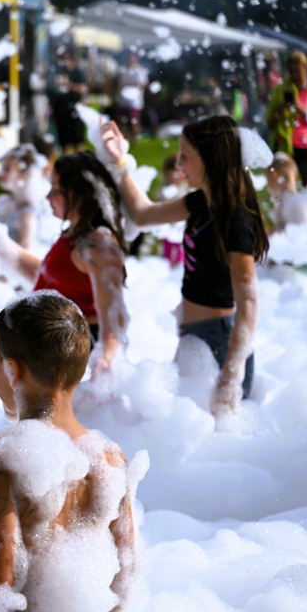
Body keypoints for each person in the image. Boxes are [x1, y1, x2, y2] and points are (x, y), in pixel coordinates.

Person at [0, 291, 145, 612]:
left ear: (14, 370)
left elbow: (1, 573)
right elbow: (127, 571)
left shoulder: (0, 457)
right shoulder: (110, 458)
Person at [103, 114, 270, 414]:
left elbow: (250, 304)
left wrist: (231, 377)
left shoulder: (235, 221)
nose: (178, 164)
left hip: (219, 345)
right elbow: (143, 215)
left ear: (210, 160)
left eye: (185, 156)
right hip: (196, 338)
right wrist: (120, 161)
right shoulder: (200, 203)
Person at [0, 150, 129, 379]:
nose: (48, 197)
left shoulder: (98, 244)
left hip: (79, 354)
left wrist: (105, 363)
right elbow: (50, 280)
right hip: (60, 348)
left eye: (56, 190)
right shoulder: (76, 235)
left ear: (80, 194)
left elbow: (114, 319)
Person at [0, 143, 51, 251]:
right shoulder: (5, 201)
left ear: (25, 174)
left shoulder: (28, 214)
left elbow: (24, 254)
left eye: (7, 169)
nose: (2, 173)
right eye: (3, 168)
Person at [265, 50, 307, 183]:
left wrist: (300, 109)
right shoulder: (281, 90)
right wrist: (280, 109)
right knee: (286, 185)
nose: (294, 75)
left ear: (305, 69)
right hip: (285, 144)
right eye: (291, 71)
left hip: (305, 146)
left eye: (297, 71)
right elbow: (270, 123)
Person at [51, 50, 87, 153]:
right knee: (64, 141)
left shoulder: (77, 73)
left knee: (77, 140)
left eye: (66, 59)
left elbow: (82, 88)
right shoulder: (58, 72)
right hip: (61, 109)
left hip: (74, 110)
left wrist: (68, 85)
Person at [265, 152, 307, 233]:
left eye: (268, 181)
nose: (267, 187)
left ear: (276, 175)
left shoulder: (294, 204)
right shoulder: (286, 204)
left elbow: (302, 236)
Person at [117, 52, 149, 140]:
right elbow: (121, 84)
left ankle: (135, 136)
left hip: (135, 100)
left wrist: (135, 85)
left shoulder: (140, 71)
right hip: (124, 99)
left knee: (134, 119)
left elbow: (144, 83)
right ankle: (122, 136)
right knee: (122, 119)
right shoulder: (124, 70)